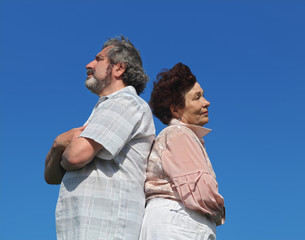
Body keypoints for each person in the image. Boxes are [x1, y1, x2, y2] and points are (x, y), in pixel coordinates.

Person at [44, 36, 155, 240]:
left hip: (106, 227)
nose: (89, 64)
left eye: (99, 59)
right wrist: (58, 142)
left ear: (119, 69)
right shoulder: (106, 108)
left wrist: (63, 145)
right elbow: (51, 177)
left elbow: (74, 157)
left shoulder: (125, 102)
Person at [140, 63, 225, 240]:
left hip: (174, 221)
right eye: (197, 98)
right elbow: (202, 193)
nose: (206, 102)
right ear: (176, 109)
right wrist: (220, 210)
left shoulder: (179, 135)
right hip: (179, 222)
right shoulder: (180, 134)